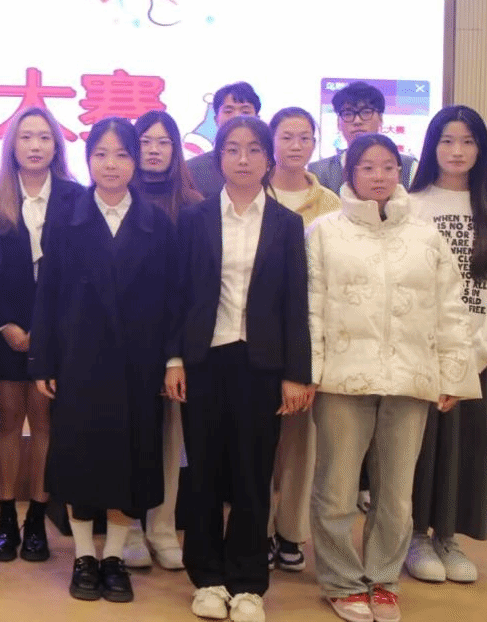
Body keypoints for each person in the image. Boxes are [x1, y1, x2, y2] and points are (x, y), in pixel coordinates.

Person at [307, 132, 481, 622]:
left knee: (397, 495)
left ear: (400, 172)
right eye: (367, 167)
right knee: (337, 490)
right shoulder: (324, 232)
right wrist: (311, 373)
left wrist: (452, 375)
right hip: (342, 380)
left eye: (387, 166)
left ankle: (383, 579)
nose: (379, 176)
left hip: (410, 379)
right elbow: (311, 308)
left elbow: (450, 309)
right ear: (350, 173)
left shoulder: (425, 235)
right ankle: (341, 581)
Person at [166, 115, 313, 622]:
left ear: (269, 159)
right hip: (205, 359)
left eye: (254, 149)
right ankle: (207, 578)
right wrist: (174, 358)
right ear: (219, 158)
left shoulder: (287, 224)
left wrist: (296, 373)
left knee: (254, 474)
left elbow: (296, 303)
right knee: (203, 472)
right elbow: (178, 295)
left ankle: (249, 584)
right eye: (232, 149)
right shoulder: (195, 219)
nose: (243, 159)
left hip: (261, 364)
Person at [33, 118, 176, 603]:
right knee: (80, 461)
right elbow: (47, 296)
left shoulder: (157, 223)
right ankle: (83, 557)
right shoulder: (65, 219)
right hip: (80, 362)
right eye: (100, 154)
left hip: (138, 365)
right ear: (88, 159)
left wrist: (170, 360)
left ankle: (113, 557)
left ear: (135, 161)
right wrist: (43, 361)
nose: (110, 165)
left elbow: (172, 300)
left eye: (121, 154)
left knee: (129, 463)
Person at [404, 106, 487, 584]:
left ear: (481, 149)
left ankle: (448, 537)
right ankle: (415, 537)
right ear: (433, 147)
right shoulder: (411, 204)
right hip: (422, 352)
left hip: (478, 355)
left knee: (467, 449)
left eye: (468, 141)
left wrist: (479, 352)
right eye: (447, 141)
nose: (457, 151)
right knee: (419, 449)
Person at [0, 107, 80, 566]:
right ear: (12, 146)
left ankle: (37, 519)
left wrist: (49, 330)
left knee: (44, 424)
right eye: (26, 137)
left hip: (55, 333)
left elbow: (80, 273)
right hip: (4, 331)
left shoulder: (77, 198)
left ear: (56, 145)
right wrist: (5, 325)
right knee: (7, 424)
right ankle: (6, 520)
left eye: (44, 137)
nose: (35, 146)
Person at [264, 107, 341, 573]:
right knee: (257, 440)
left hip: (307, 332)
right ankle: (256, 531)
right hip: (256, 333)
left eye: (304, 137)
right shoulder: (254, 191)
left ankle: (290, 532)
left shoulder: (330, 202)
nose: (296, 145)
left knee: (300, 442)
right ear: (271, 142)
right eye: (286, 136)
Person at [130, 110, 202, 571]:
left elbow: (194, 282)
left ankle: (162, 527)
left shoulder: (193, 204)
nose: (154, 150)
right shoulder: (116, 197)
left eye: (163, 142)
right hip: (127, 340)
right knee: (131, 435)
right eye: (145, 141)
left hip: (178, 339)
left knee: (171, 440)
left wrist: (177, 350)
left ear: (176, 150)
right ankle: (130, 527)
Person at [309, 81, 417, 193]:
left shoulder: (409, 168)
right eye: (348, 114)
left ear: (380, 119)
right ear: (338, 122)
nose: (357, 121)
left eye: (366, 112)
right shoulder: (318, 172)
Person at [185, 82, 261, 197]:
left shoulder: (272, 167)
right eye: (228, 111)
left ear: (257, 119)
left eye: (245, 112)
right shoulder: (191, 170)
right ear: (216, 119)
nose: (237, 117)